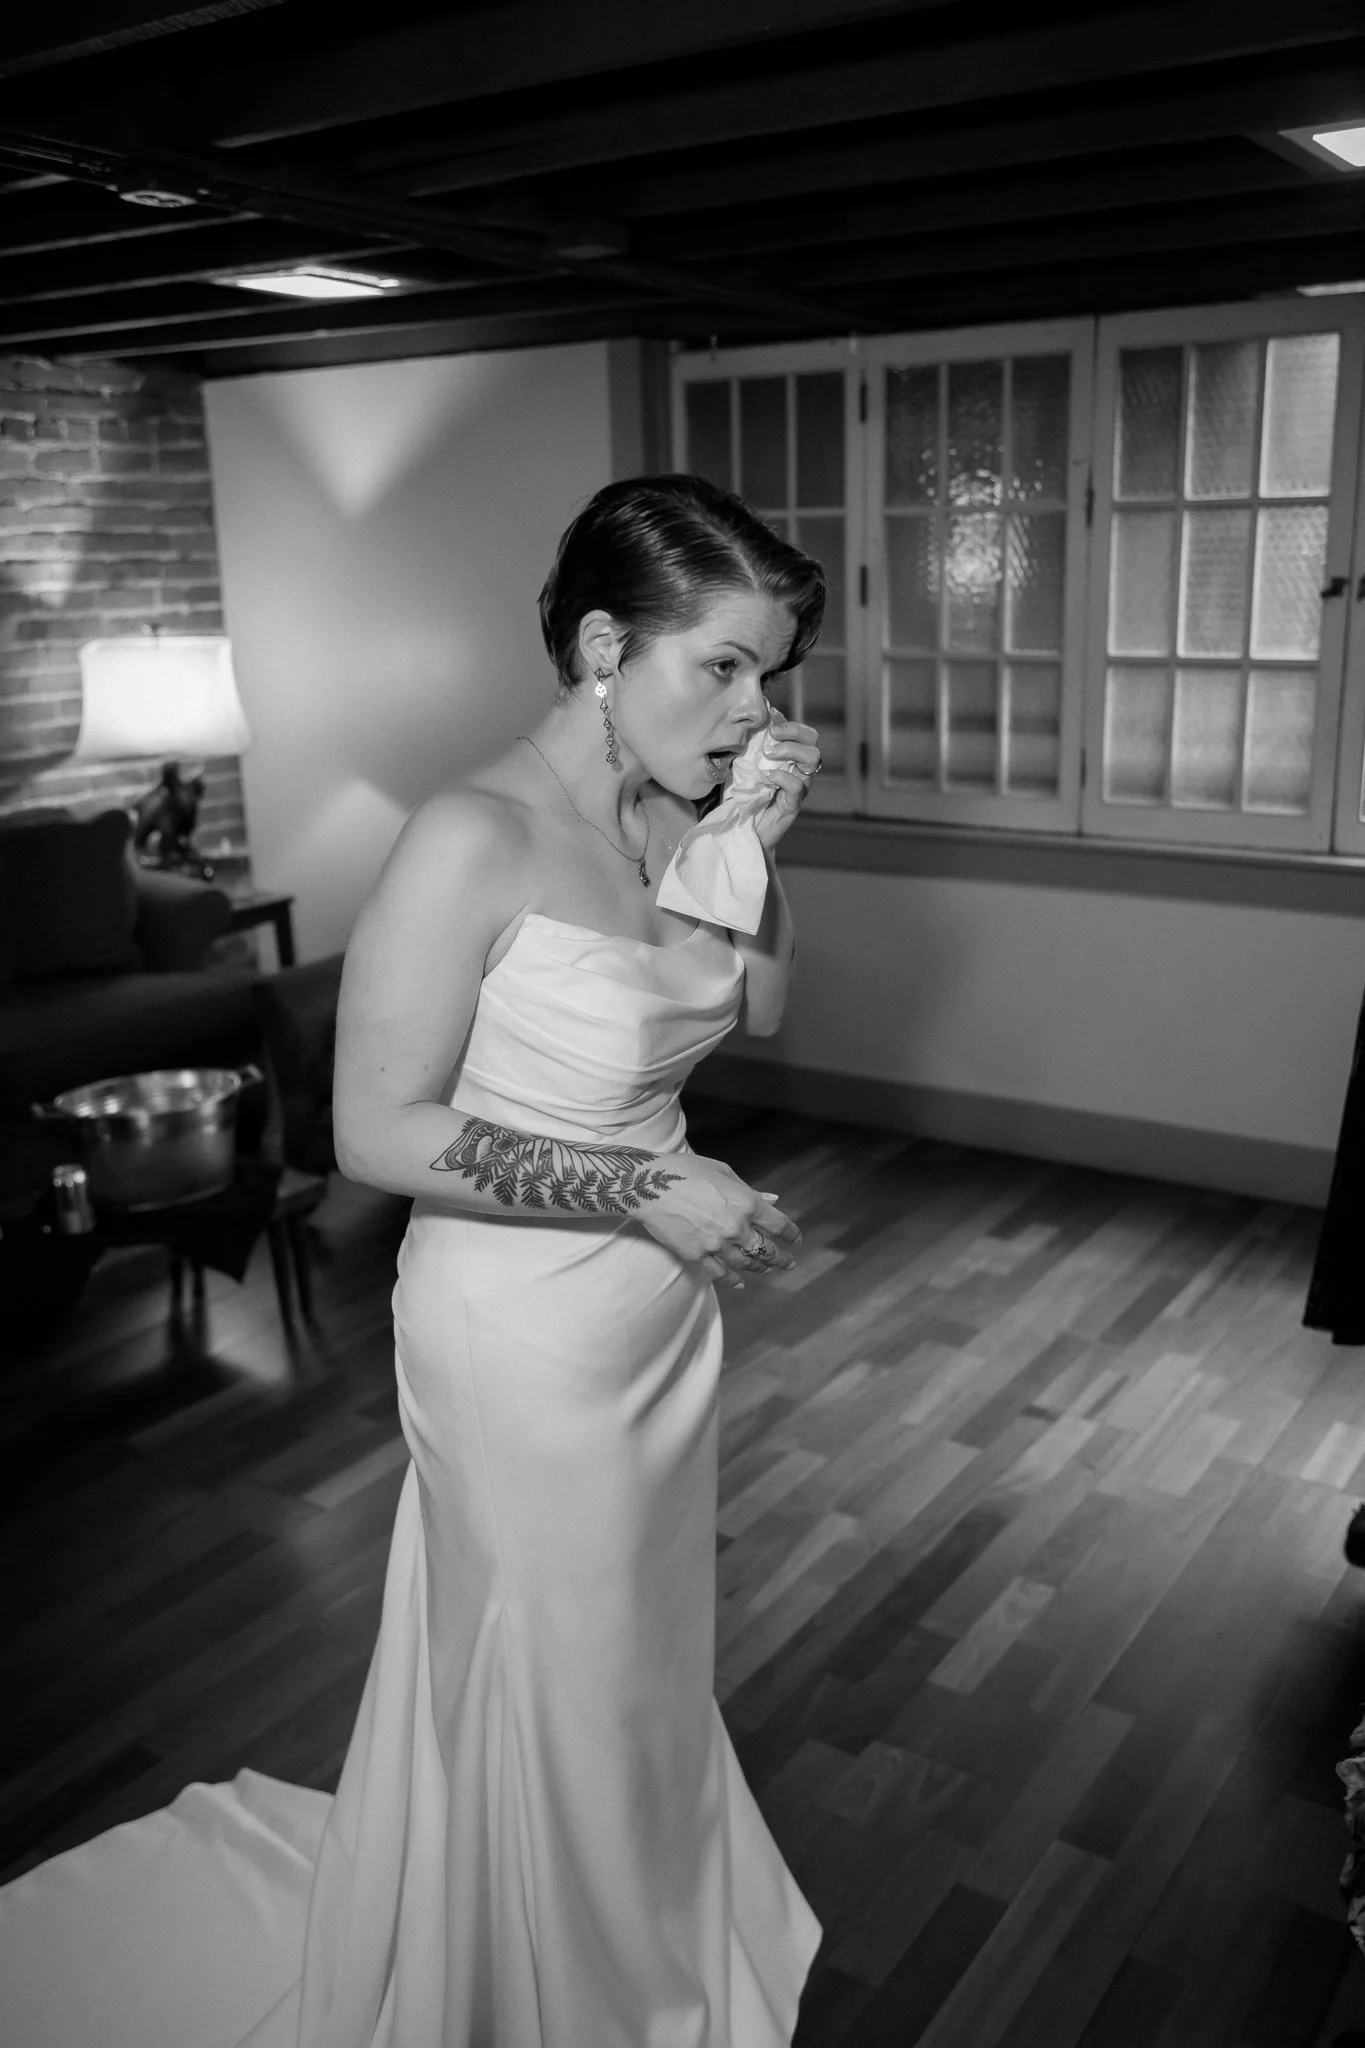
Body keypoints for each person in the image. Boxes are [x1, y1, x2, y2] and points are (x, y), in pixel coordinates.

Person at [0, 473, 827, 2048]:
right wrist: (644, 1188)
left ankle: (632, 1929)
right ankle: (528, 1981)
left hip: (653, 1313)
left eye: (770, 674)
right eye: (724, 665)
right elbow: (371, 1132)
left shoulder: (677, 808)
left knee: (631, 1654)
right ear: (605, 646)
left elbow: (766, 1008)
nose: (756, 710)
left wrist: (760, 839)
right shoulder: (472, 835)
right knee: (546, 1656)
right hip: (518, 1322)